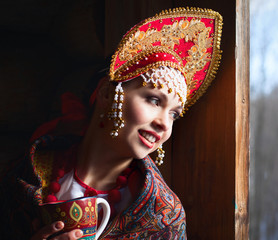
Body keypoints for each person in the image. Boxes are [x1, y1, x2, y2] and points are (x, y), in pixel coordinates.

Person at [0, 7, 223, 239]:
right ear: (107, 92)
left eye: (174, 114)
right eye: (154, 100)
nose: (164, 124)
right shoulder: (26, 174)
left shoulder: (165, 217)